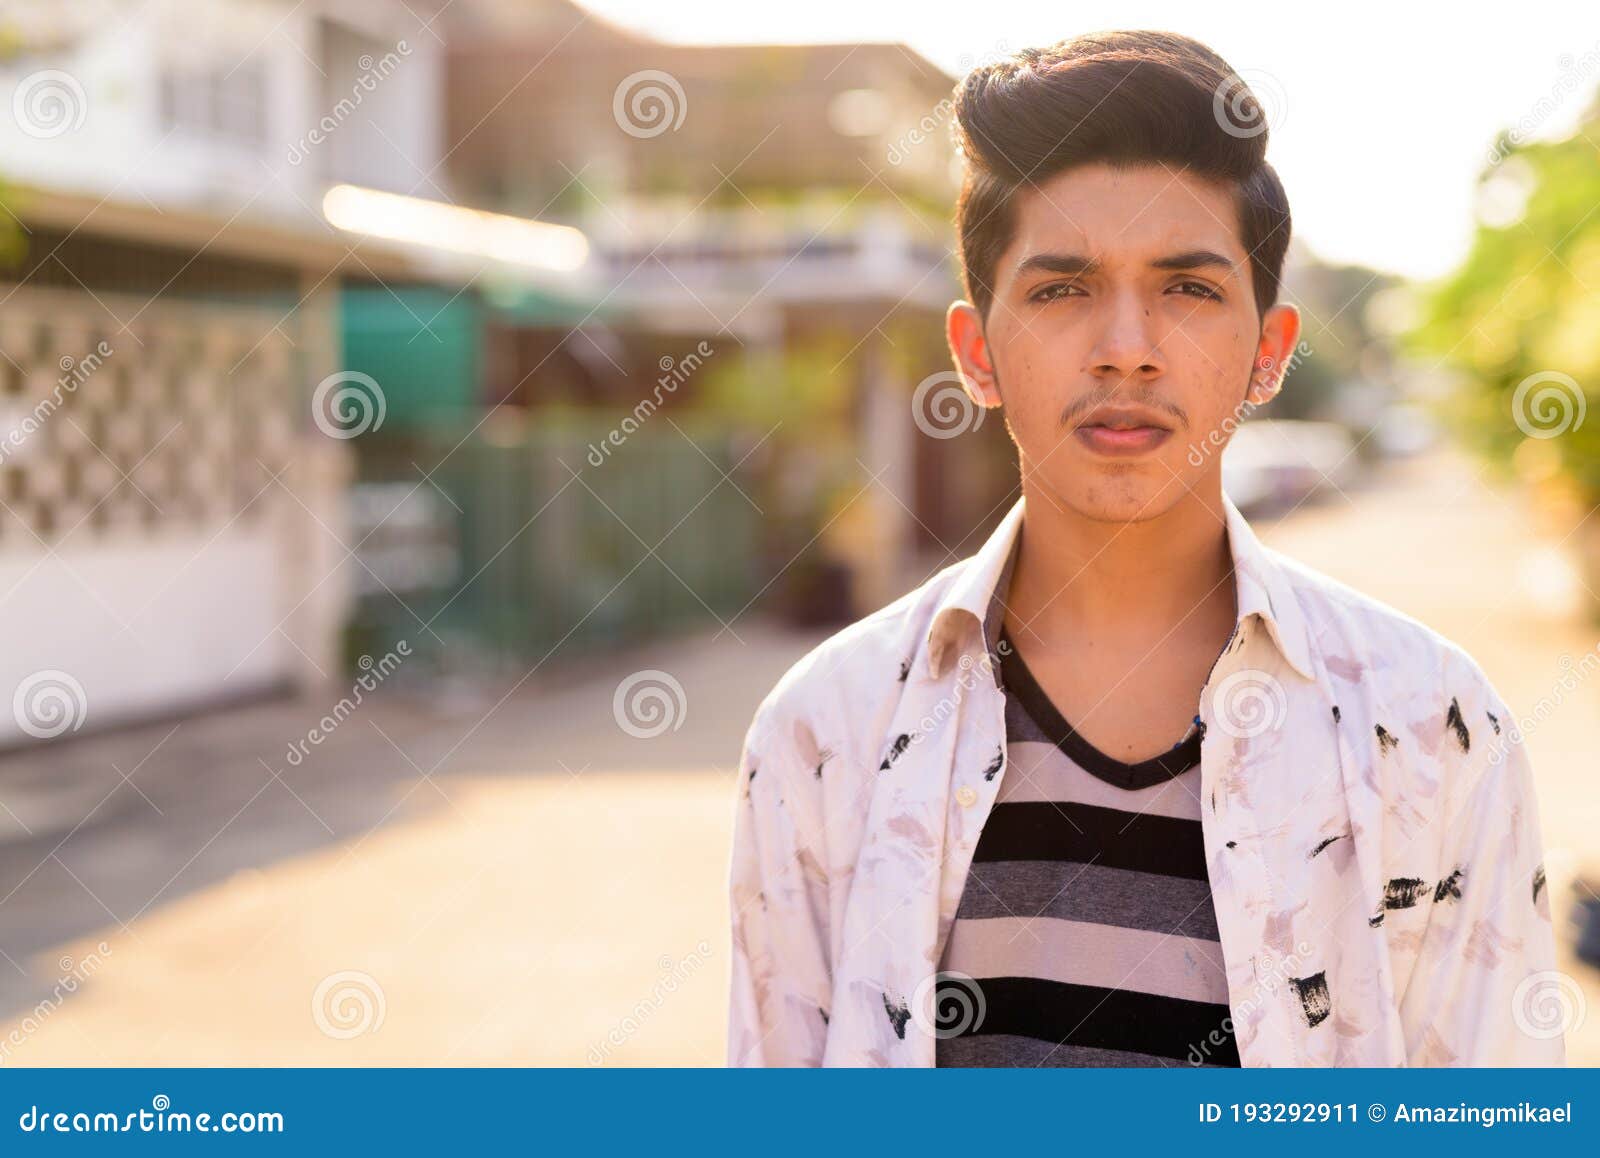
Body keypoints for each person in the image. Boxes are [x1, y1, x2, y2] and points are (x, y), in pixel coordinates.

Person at [726, 29, 1563, 1067]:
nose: (1125, 345)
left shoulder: (1432, 727)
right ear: (976, 353)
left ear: (1268, 354)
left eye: (1188, 288)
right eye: (1060, 289)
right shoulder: (827, 730)